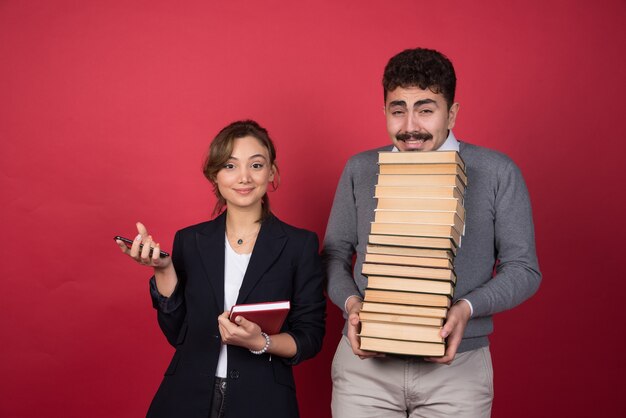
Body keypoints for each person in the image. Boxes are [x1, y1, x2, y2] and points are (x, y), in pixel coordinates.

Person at [323, 48, 541, 417]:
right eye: (398, 110)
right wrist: (351, 305)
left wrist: (465, 309)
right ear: (385, 113)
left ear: (452, 112)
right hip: (365, 370)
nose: (410, 126)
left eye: (426, 110)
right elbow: (334, 255)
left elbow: (524, 268)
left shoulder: (497, 171)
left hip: (458, 370)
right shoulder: (360, 169)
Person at [116, 120, 326, 418]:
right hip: (186, 398)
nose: (244, 177)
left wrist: (260, 342)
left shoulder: (299, 245)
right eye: (230, 165)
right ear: (214, 175)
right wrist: (163, 269)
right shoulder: (190, 241)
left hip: (263, 401)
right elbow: (178, 334)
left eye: (256, 165)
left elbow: (310, 337)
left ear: (272, 172)